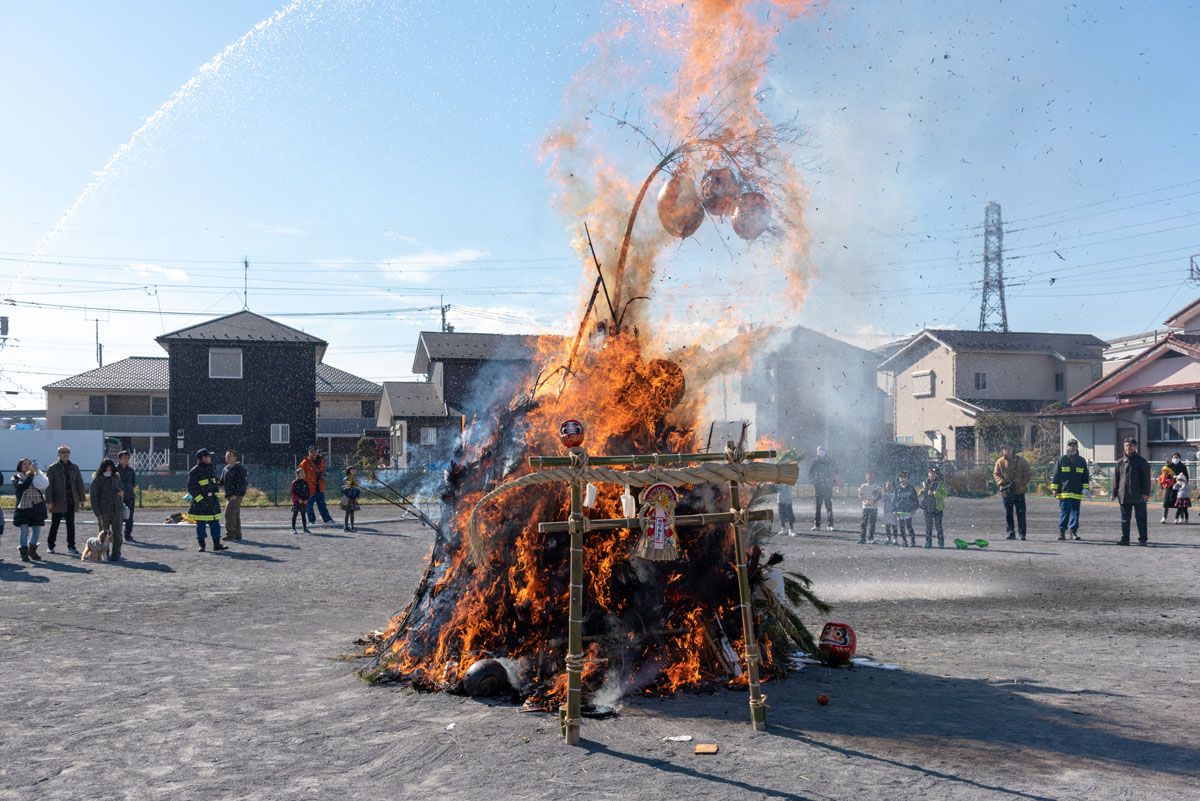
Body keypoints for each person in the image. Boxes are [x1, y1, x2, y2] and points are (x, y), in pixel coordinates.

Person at [44, 445, 86, 555]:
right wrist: (49, 501)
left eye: (67, 452)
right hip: (57, 500)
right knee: (55, 524)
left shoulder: (74, 467)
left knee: (70, 524)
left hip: (71, 500)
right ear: (58, 454)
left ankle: (71, 546)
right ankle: (51, 545)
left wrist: (82, 499)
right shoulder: (52, 468)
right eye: (62, 452)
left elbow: (79, 484)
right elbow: (49, 486)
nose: (65, 454)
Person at [1112, 437, 1152, 545]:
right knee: (1125, 518)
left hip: (1139, 495)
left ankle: (1143, 539)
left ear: (1135, 447)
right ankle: (1125, 539)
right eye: (1126, 445)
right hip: (1124, 495)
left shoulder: (1142, 462)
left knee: (1141, 518)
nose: (1128, 447)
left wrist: (1145, 493)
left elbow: (1146, 479)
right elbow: (1116, 479)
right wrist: (1114, 493)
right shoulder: (1120, 462)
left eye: (1130, 445)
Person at [187, 449, 226, 552]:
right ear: (203, 458)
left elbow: (214, 483)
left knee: (215, 523)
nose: (210, 458)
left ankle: (217, 545)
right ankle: (201, 545)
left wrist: (219, 483)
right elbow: (191, 487)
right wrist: (200, 499)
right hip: (201, 503)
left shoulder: (211, 468)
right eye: (208, 456)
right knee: (201, 524)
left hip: (212, 502)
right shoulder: (195, 470)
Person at [1050, 439, 1089, 541]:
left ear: (1077, 447)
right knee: (1064, 512)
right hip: (1064, 492)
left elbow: (1085, 476)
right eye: (1070, 446)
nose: (1072, 447)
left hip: (1077, 492)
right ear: (1067, 447)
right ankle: (1061, 532)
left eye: (1074, 445)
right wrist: (1055, 489)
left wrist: (1085, 488)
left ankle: (1073, 532)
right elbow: (1056, 475)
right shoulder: (1061, 460)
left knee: (1075, 513)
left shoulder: (1081, 461)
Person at [12, 458, 48, 562]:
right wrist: (30, 476)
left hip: (37, 506)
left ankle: (32, 550)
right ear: (20, 466)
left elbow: (43, 485)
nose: (27, 466)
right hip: (23, 507)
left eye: (29, 464)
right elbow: (22, 486)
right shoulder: (15, 477)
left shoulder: (36, 475)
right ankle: (24, 552)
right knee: (24, 531)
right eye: (24, 464)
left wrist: (37, 473)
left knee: (37, 530)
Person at [993, 443, 1032, 541]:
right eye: (1005, 449)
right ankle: (1010, 533)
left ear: (1012, 449)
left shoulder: (1021, 461)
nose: (1007, 450)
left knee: (1021, 513)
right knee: (1008, 513)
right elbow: (996, 474)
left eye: (1008, 448)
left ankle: (1022, 534)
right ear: (1002, 450)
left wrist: (1022, 483)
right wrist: (1003, 483)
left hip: (1019, 491)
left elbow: (1027, 473)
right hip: (1006, 491)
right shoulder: (999, 462)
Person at [89, 458, 125, 562]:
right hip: (103, 511)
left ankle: (116, 554)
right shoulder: (97, 480)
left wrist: (121, 492)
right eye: (106, 467)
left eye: (110, 467)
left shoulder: (116, 477)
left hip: (117, 509)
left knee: (118, 534)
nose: (108, 469)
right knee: (103, 535)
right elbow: (93, 498)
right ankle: (105, 553)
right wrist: (97, 512)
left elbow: (122, 488)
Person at [300, 446, 335, 527]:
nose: (313, 453)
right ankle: (312, 521)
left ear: (316, 452)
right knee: (309, 504)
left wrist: (323, 475)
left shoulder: (321, 460)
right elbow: (299, 473)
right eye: (311, 451)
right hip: (309, 487)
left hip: (319, 485)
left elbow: (322, 471)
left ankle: (327, 519)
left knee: (322, 504)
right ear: (309, 453)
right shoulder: (304, 463)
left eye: (314, 451)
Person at [219, 450, 248, 541]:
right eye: (227, 456)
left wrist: (236, 494)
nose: (228, 458)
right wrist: (215, 481)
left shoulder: (239, 468)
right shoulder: (225, 469)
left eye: (230, 456)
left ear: (235, 458)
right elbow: (222, 482)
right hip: (229, 495)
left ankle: (230, 534)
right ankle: (237, 535)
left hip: (236, 495)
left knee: (228, 514)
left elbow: (242, 483)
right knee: (235, 515)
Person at [920, 467, 948, 548]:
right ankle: (928, 541)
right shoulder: (925, 483)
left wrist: (934, 493)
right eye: (929, 473)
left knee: (938, 526)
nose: (931, 474)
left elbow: (944, 494)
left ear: (937, 475)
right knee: (928, 526)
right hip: (927, 507)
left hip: (937, 507)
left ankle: (941, 541)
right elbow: (919, 493)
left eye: (933, 473)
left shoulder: (940, 484)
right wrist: (921, 491)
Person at [809, 446, 836, 531]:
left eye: (822, 450)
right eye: (819, 451)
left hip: (828, 487)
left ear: (825, 451)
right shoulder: (814, 461)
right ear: (817, 452)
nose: (821, 452)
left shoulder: (829, 461)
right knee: (817, 506)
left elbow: (835, 471)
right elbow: (810, 473)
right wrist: (814, 482)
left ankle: (830, 525)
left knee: (829, 506)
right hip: (818, 487)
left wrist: (832, 482)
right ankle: (817, 525)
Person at [116, 450, 137, 543]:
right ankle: (117, 534)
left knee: (130, 516)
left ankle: (128, 535)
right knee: (117, 516)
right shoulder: (115, 470)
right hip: (117, 497)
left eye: (128, 458)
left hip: (129, 496)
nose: (126, 460)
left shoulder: (131, 471)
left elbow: (133, 483)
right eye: (124, 458)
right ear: (119, 459)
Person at [894, 472, 918, 546]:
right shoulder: (897, 489)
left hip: (908, 511)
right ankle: (904, 541)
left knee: (909, 526)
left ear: (907, 479)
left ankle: (913, 541)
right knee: (902, 527)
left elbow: (915, 499)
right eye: (901, 478)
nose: (902, 479)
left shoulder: (911, 488)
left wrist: (914, 508)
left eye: (904, 478)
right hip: (900, 511)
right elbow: (894, 500)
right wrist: (894, 510)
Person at [857, 471, 881, 544]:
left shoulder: (877, 487)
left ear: (874, 478)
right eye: (868, 477)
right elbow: (860, 495)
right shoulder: (863, 486)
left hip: (874, 508)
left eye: (872, 477)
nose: (870, 478)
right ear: (866, 477)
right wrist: (865, 500)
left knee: (872, 523)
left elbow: (880, 496)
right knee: (864, 523)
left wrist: (875, 500)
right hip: (865, 507)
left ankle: (870, 538)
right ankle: (862, 537)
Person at [341, 466, 362, 531]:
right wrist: (351, 491)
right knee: (347, 513)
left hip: (353, 497)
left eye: (354, 469)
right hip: (348, 498)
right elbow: (344, 489)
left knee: (352, 512)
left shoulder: (354, 479)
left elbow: (357, 488)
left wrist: (356, 496)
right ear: (349, 471)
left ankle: (352, 527)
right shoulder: (346, 478)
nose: (354, 470)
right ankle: (346, 527)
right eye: (352, 469)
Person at [290, 468, 311, 534]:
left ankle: (305, 528)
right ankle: (293, 529)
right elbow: (293, 492)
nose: (303, 474)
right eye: (301, 473)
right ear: (297, 474)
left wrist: (307, 499)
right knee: (295, 514)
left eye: (303, 473)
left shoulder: (305, 483)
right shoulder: (294, 482)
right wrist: (298, 499)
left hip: (304, 501)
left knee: (303, 515)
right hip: (297, 501)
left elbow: (308, 492)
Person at [881, 479, 898, 545]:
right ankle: (888, 537)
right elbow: (882, 500)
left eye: (891, 486)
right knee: (887, 525)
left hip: (893, 512)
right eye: (887, 486)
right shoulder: (884, 494)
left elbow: (896, 502)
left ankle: (895, 538)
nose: (889, 487)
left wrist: (896, 510)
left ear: (893, 486)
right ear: (885, 487)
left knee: (894, 526)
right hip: (886, 511)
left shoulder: (895, 494)